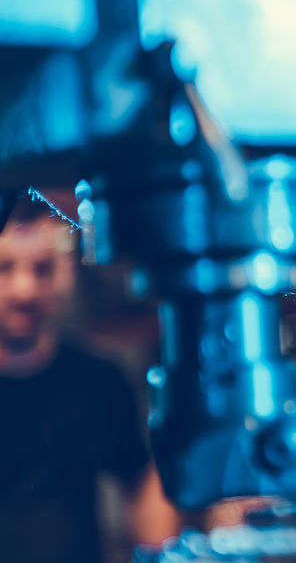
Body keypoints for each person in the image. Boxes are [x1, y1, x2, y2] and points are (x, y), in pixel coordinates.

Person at [0, 197, 179, 562]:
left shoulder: (98, 380)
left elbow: (141, 483)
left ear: (63, 274)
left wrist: (166, 553)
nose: (25, 290)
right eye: (5, 268)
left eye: (42, 269)